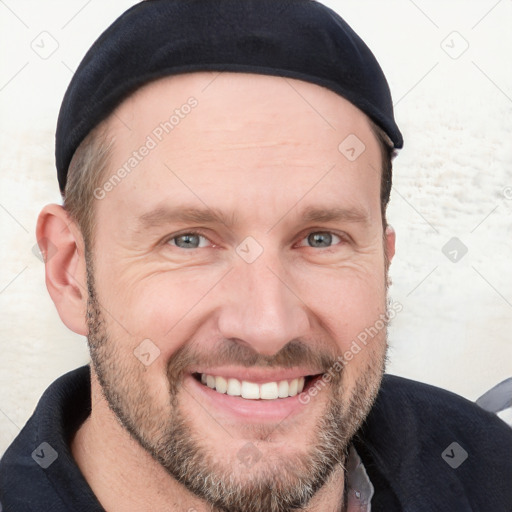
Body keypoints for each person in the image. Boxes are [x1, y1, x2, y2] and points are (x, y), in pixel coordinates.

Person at [0, 0, 511, 511]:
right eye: (189, 240)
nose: (268, 326)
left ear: (384, 263)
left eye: (320, 239)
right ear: (70, 272)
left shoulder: (491, 470)